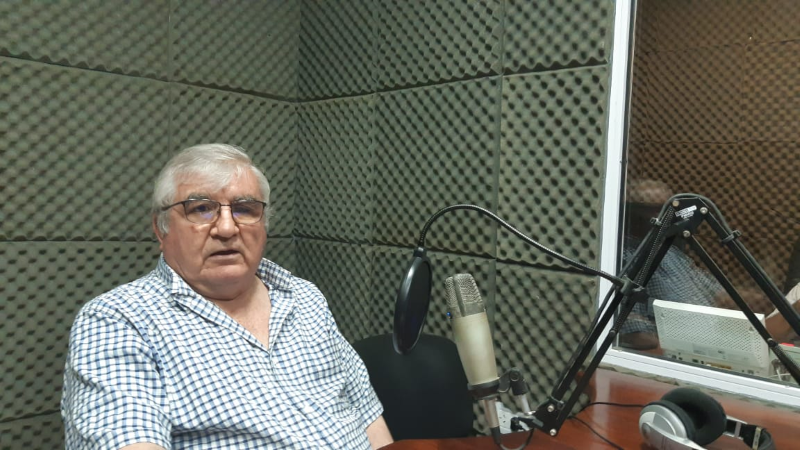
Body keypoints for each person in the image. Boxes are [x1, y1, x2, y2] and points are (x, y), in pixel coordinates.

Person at [61, 144, 393, 449]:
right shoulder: (119, 320)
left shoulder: (305, 297)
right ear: (161, 229)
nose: (226, 228)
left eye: (244, 209)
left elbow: (366, 416)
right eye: (201, 208)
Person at [618, 179, 800, 349]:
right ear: (629, 211)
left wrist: (765, 300)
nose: (665, 215)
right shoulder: (626, 260)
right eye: (653, 209)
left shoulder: (670, 252)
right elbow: (634, 333)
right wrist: (690, 355)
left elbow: (717, 294)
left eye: (669, 209)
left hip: (717, 337)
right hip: (693, 349)